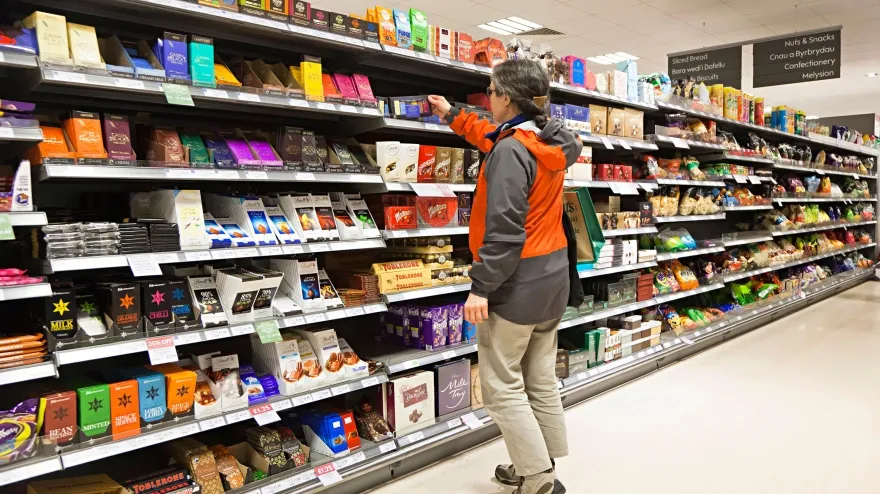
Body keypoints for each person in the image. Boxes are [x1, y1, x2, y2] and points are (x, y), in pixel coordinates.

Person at [428, 58, 582, 494]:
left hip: (517, 283)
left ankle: (536, 480)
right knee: (538, 377)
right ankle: (540, 462)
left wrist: (481, 286)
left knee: (500, 386)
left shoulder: (512, 152)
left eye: (491, 92)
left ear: (508, 98)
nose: (487, 98)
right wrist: (451, 114)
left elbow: (504, 229)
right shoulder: (546, 139)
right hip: (552, 277)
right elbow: (491, 134)